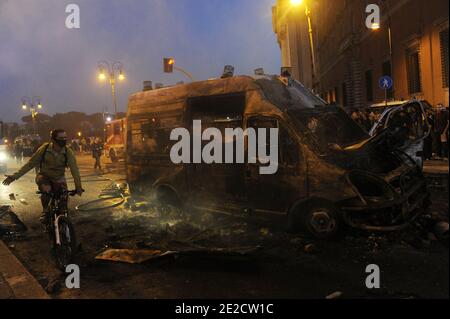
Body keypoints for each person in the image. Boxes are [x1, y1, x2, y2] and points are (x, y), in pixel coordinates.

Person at [2, 129, 83, 225]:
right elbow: (30, 164)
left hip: (59, 178)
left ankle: (64, 222)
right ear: (53, 139)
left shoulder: (68, 152)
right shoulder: (44, 149)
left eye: (65, 138)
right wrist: (14, 177)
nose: (63, 140)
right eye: (60, 138)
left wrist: (78, 186)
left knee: (63, 198)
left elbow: (75, 170)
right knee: (47, 191)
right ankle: (45, 211)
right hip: (44, 176)